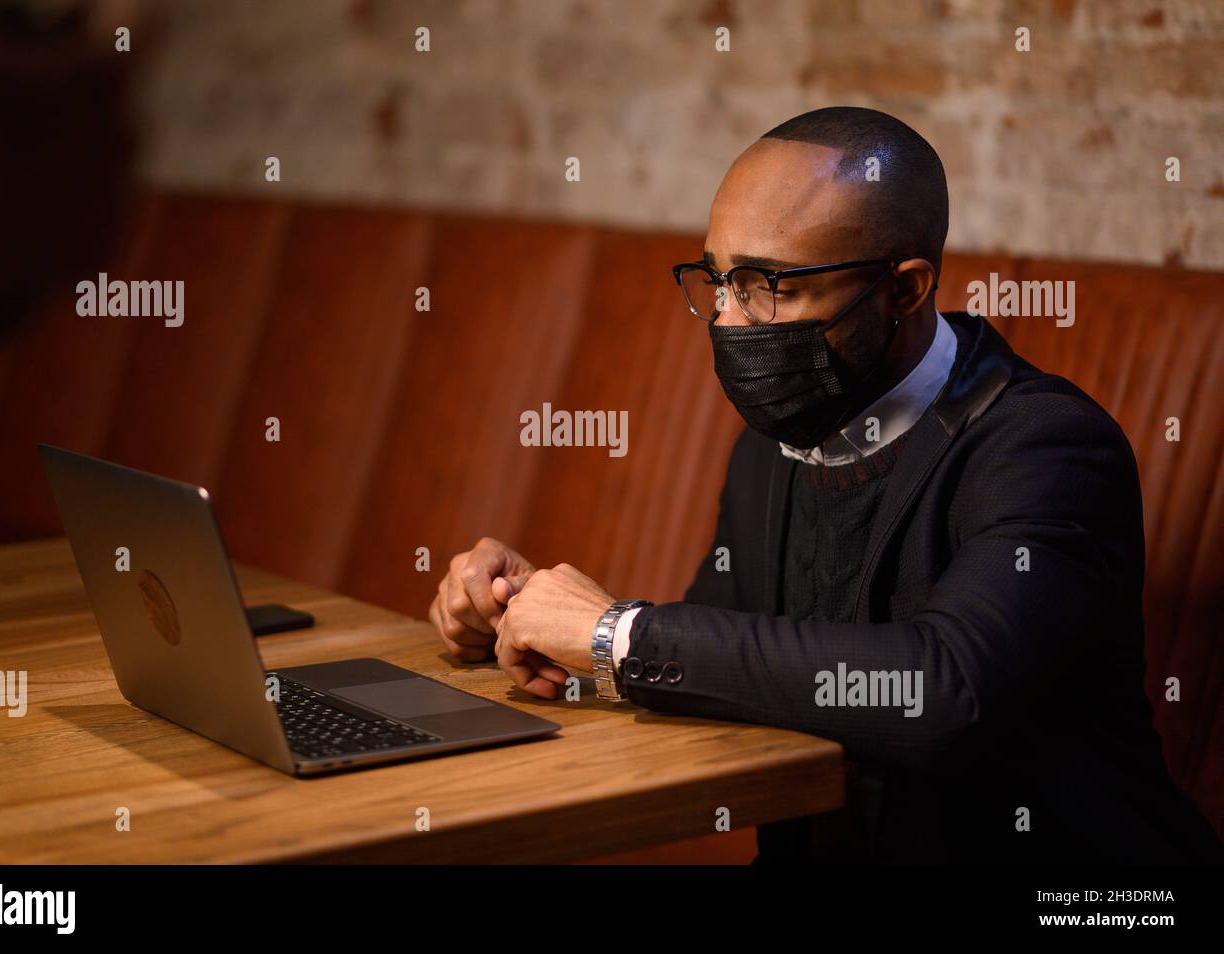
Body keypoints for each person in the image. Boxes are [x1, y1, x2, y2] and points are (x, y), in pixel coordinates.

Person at [427, 107, 1222, 864]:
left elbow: (945, 689)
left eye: (769, 284)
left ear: (906, 289)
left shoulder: (1044, 446)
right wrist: (527, 624)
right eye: (718, 279)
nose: (729, 322)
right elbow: (720, 665)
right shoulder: (779, 440)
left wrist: (615, 635)